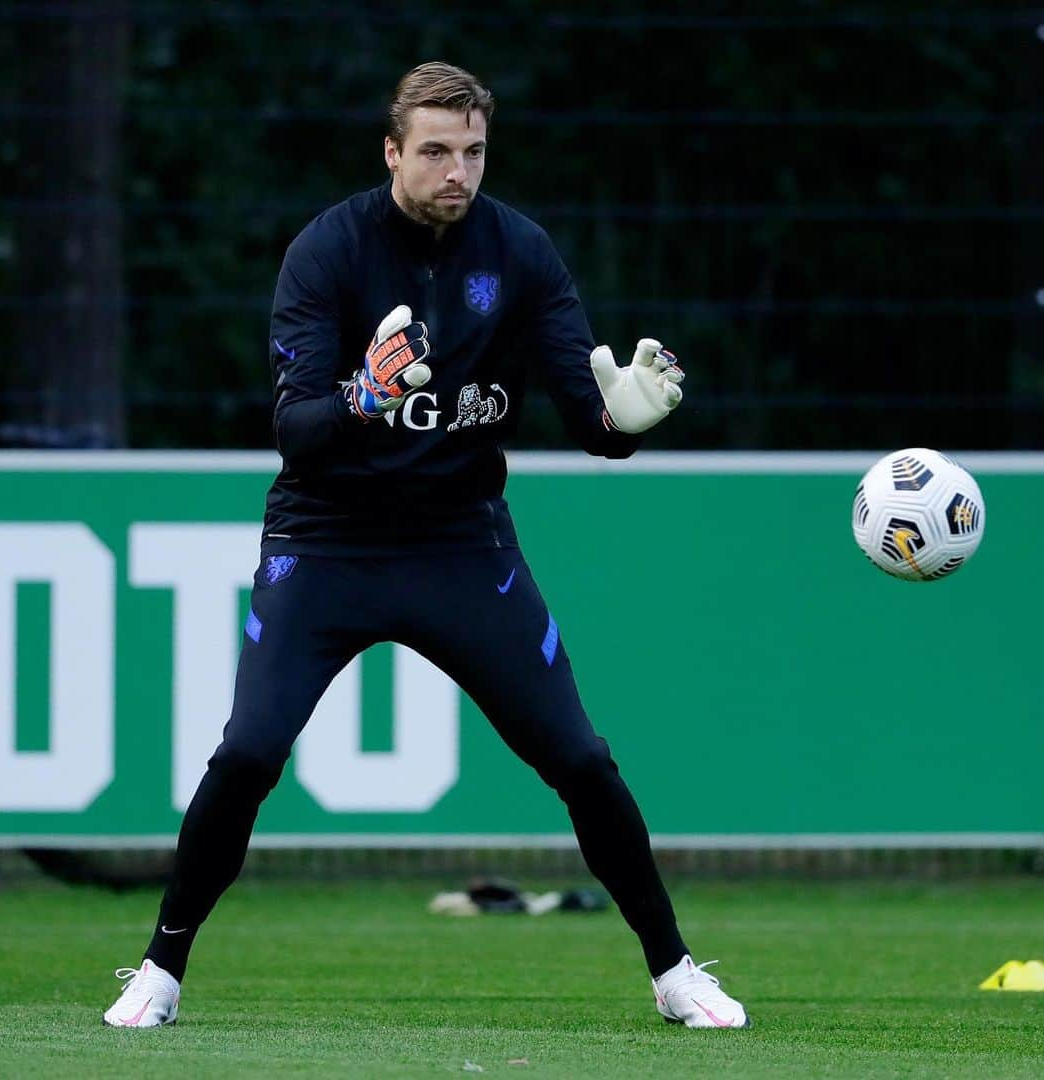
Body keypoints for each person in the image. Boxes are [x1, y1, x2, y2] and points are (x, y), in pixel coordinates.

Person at [103, 61, 749, 1031]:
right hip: (327, 541)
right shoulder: (326, 251)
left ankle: (675, 972)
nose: (458, 171)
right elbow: (299, 430)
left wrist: (630, 418)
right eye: (437, 151)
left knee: (579, 757)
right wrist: (367, 394)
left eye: (474, 152)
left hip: (460, 543)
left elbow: (591, 423)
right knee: (245, 754)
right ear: (394, 151)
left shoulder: (521, 253)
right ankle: (159, 971)